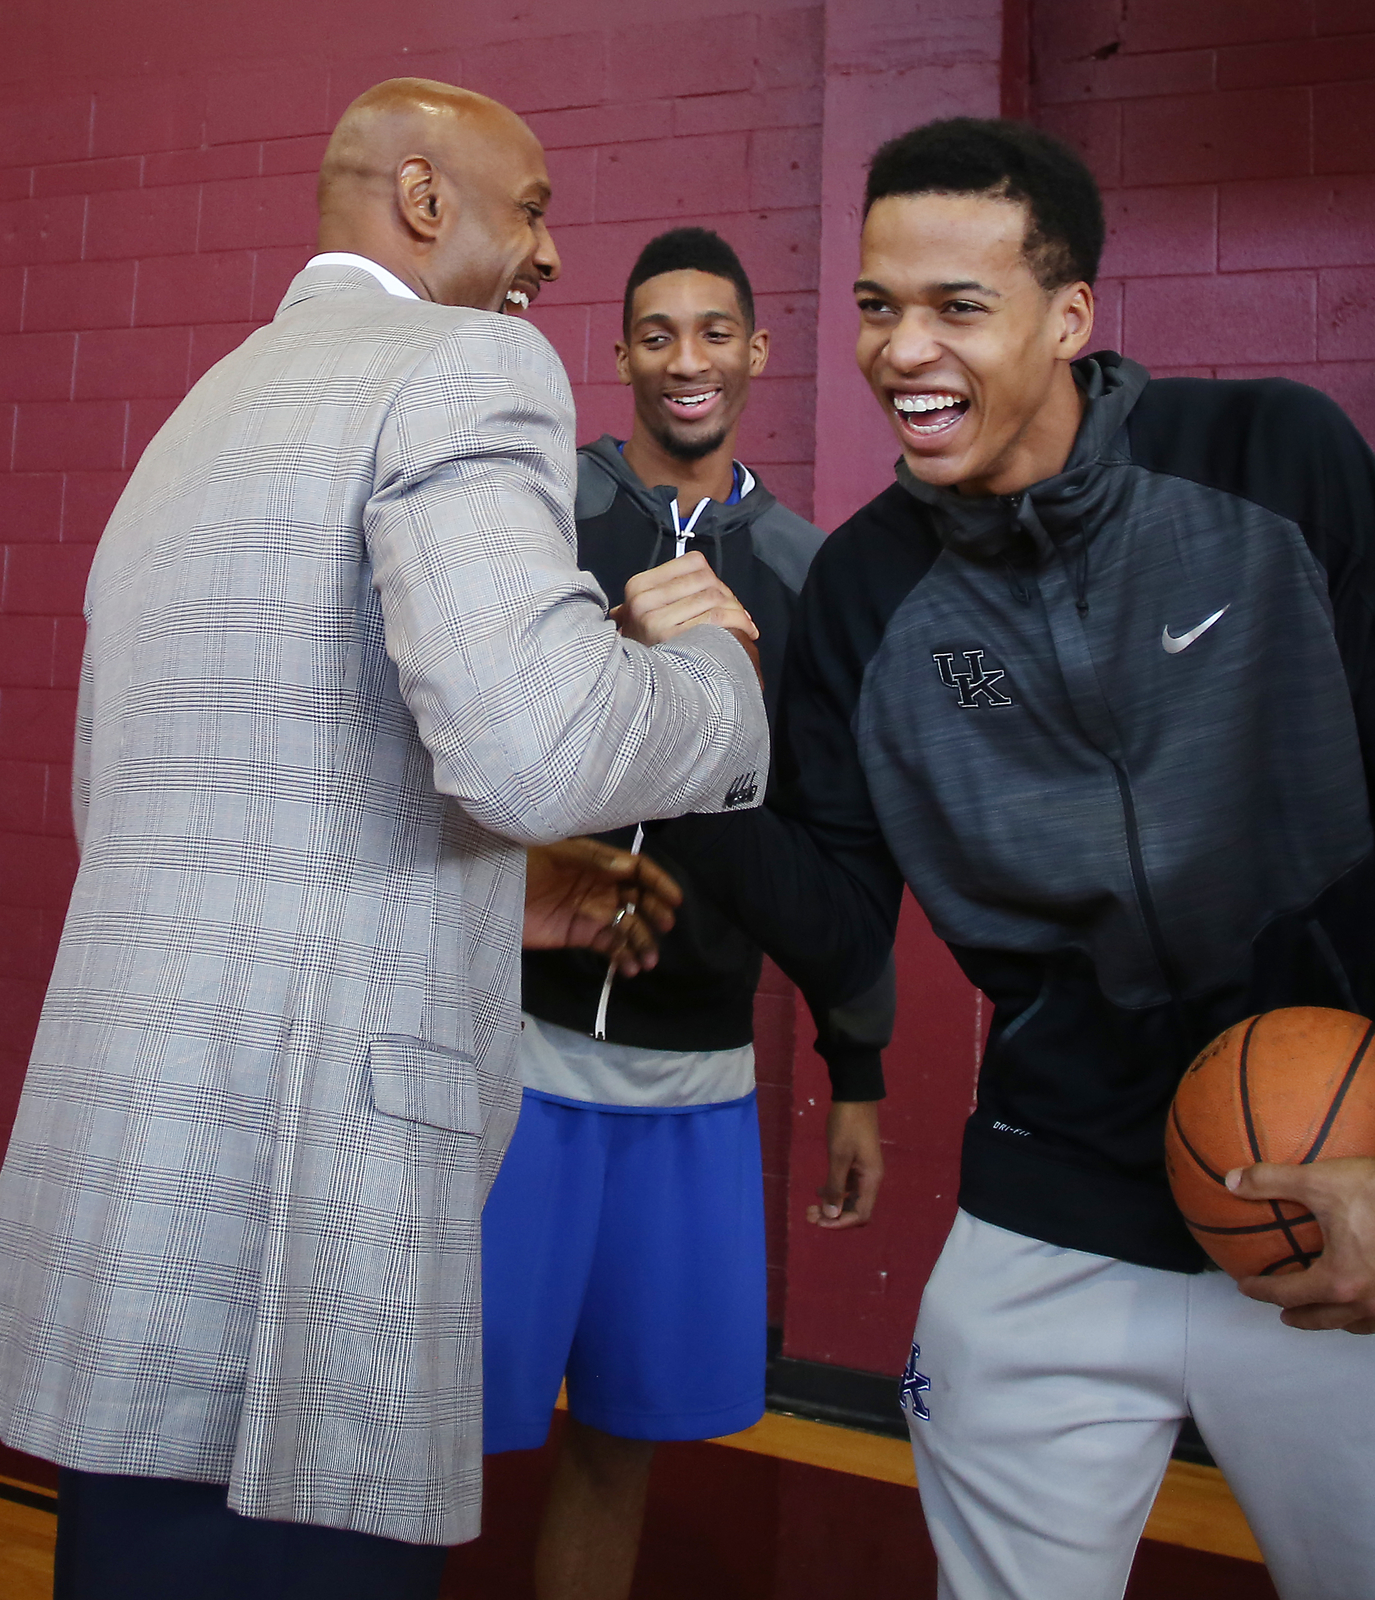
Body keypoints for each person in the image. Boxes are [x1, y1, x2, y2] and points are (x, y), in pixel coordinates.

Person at [0, 80, 772, 1600]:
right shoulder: (467, 365)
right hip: (309, 1184)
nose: (553, 266)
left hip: (141, 1155)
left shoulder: (205, 411)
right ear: (426, 201)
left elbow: (183, 788)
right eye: (532, 211)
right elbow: (542, 745)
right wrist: (715, 674)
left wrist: (483, 894)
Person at [677, 119, 1375, 1599]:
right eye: (880, 305)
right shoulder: (870, 592)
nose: (902, 351)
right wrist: (681, 745)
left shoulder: (1274, 463)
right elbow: (835, 922)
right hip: (1054, 1205)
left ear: (1069, 318)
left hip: (1348, 1169)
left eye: (960, 306)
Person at [482, 226, 893, 1600]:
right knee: (427, 1428)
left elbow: (847, 848)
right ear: (623, 354)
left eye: (714, 331)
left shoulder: (808, 570)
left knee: (621, 1446)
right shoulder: (549, 516)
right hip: (508, 1053)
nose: (687, 361)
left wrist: (858, 1072)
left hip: (693, 1075)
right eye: (657, 334)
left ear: (758, 352)